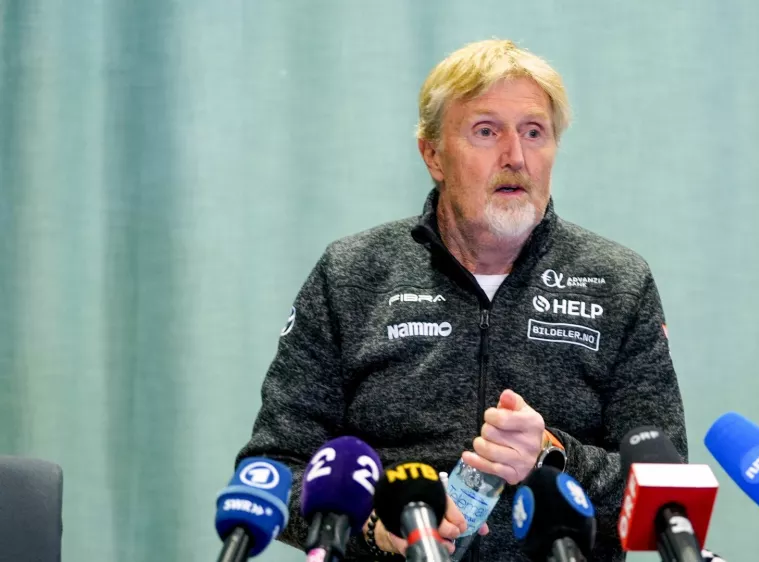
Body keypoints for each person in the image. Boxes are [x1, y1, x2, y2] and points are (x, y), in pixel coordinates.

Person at [236, 38, 688, 561]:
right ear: (433, 154)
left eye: (534, 132)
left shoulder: (618, 282)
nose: (515, 156)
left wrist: (552, 456)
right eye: (486, 131)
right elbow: (274, 468)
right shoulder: (351, 273)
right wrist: (375, 525)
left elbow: (667, 493)